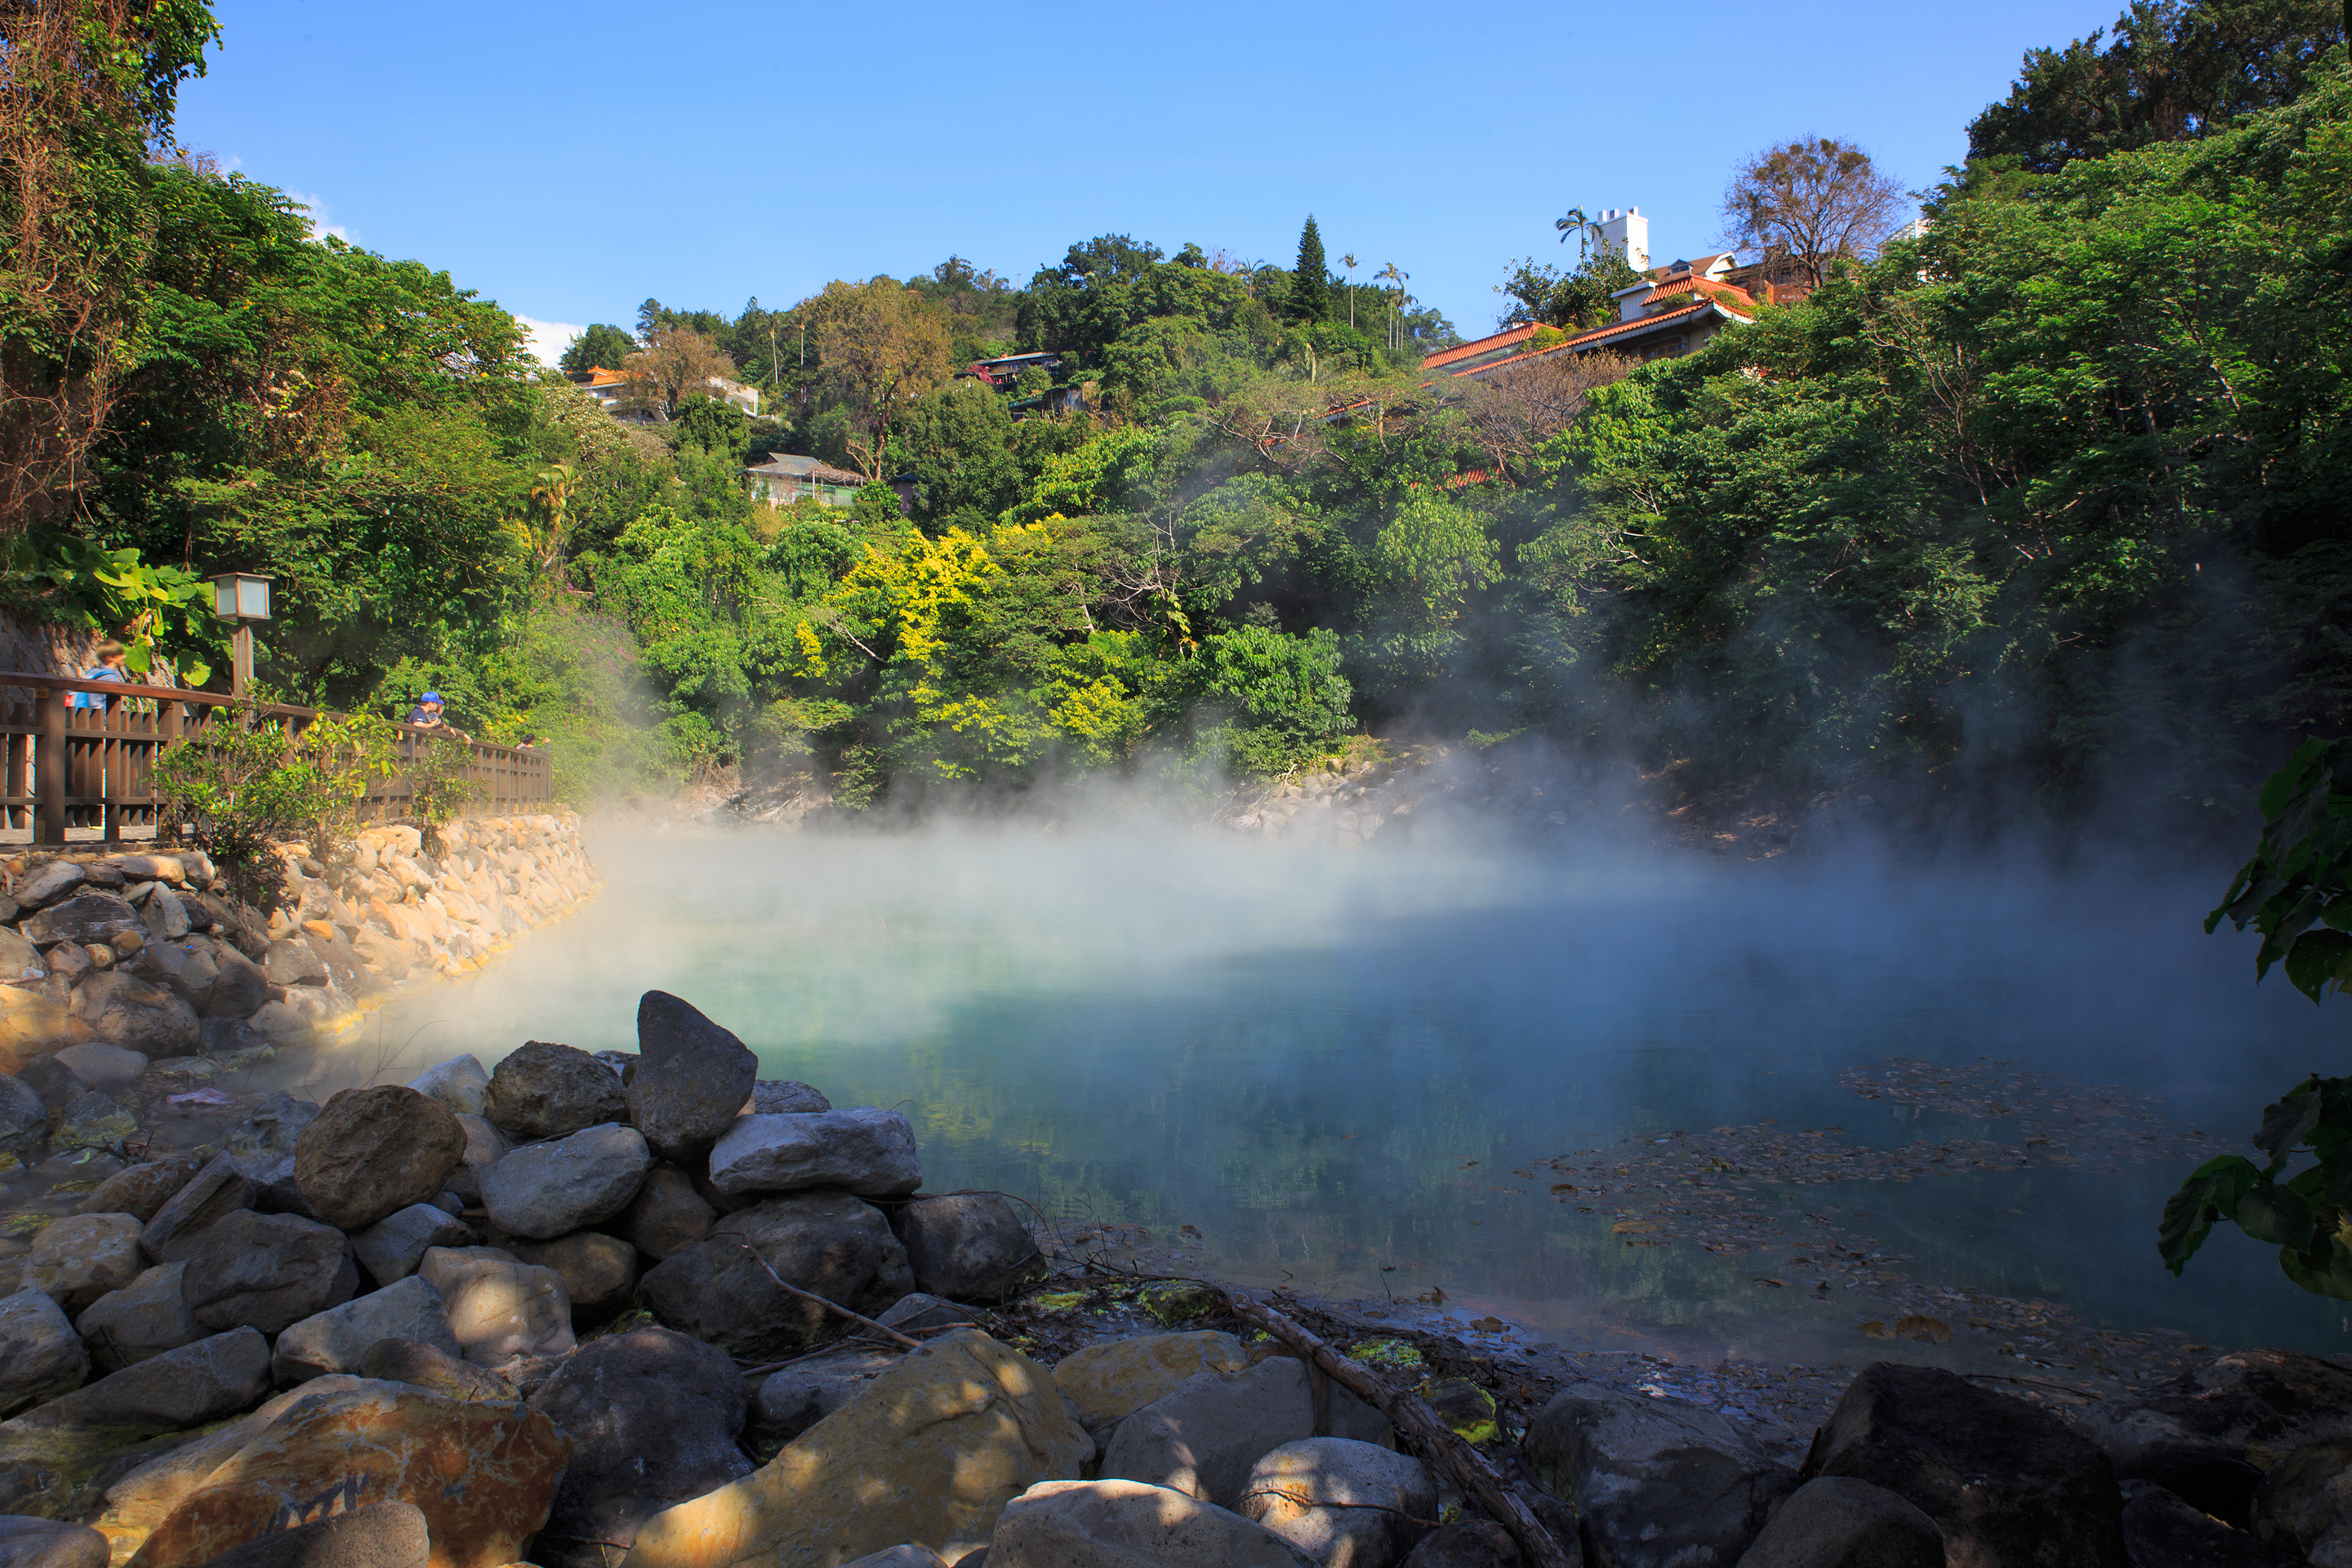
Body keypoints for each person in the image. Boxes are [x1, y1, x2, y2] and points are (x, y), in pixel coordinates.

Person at [70, 642, 129, 709]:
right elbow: (106, 703)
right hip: (97, 716)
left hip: (84, 713)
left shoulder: (94, 672)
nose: (124, 657)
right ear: (109, 657)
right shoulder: (110, 677)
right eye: (120, 654)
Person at [403, 691, 470, 741]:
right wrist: (432, 725)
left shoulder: (419, 711)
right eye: (436, 703)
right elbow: (417, 724)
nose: (436, 706)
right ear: (430, 704)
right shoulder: (420, 711)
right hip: (411, 743)